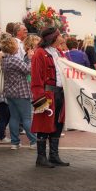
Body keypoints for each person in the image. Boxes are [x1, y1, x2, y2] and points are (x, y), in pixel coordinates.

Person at [31, 27, 69, 168]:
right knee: (43, 125)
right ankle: (41, 158)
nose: (62, 37)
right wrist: (39, 99)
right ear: (53, 37)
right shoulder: (40, 54)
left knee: (58, 124)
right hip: (47, 95)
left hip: (60, 93)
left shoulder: (58, 52)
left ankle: (54, 155)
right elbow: (36, 78)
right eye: (59, 35)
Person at [0, 33, 36, 150]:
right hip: (21, 92)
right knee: (26, 118)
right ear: (12, 47)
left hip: (10, 92)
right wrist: (30, 59)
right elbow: (28, 70)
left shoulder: (4, 60)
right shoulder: (14, 60)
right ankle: (33, 141)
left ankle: (15, 142)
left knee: (14, 117)